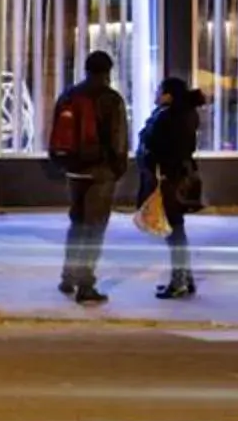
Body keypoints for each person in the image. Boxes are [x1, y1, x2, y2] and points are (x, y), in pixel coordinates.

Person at [48, 49, 130, 305]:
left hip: (74, 170)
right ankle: (86, 283)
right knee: (94, 228)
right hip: (100, 172)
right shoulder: (111, 99)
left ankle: (68, 276)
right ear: (108, 72)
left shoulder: (69, 95)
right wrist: (118, 168)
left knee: (77, 223)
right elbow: (118, 139)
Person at [141, 76, 205, 300]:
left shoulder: (170, 116)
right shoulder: (185, 113)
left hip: (170, 178)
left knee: (174, 231)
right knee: (176, 230)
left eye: (160, 91)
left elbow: (153, 143)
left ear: (169, 94)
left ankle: (179, 281)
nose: (157, 94)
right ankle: (185, 279)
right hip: (178, 176)